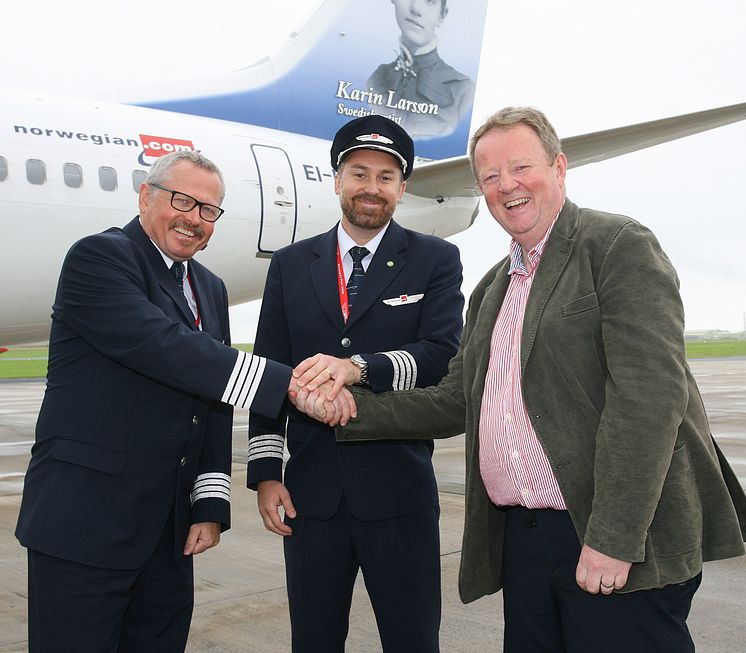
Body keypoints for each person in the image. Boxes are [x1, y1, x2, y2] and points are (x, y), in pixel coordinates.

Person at [296, 107, 746, 652]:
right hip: (526, 541)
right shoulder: (493, 288)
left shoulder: (616, 245)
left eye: (520, 167)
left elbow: (649, 402)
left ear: (559, 167)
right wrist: (348, 408)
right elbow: (453, 401)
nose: (506, 186)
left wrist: (613, 538)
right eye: (490, 177)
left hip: (612, 533)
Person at [14, 151, 343, 653]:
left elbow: (210, 404)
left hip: (168, 538)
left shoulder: (209, 288)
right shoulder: (99, 258)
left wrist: (209, 505)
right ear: (146, 197)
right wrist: (292, 387)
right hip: (85, 525)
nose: (194, 218)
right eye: (182, 201)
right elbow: (164, 347)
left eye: (208, 209)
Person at [248, 114, 464, 652]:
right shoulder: (292, 264)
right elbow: (268, 372)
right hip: (310, 496)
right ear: (337, 179)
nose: (372, 188)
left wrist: (360, 367)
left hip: (399, 494)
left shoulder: (436, 259)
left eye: (386, 177)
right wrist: (266, 473)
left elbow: (441, 357)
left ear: (402, 187)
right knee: (314, 640)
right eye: (360, 174)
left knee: (412, 639)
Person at [366, 0, 475, 139]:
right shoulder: (377, 78)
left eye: (430, 1)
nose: (416, 8)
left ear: (442, 15)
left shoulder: (463, 91)